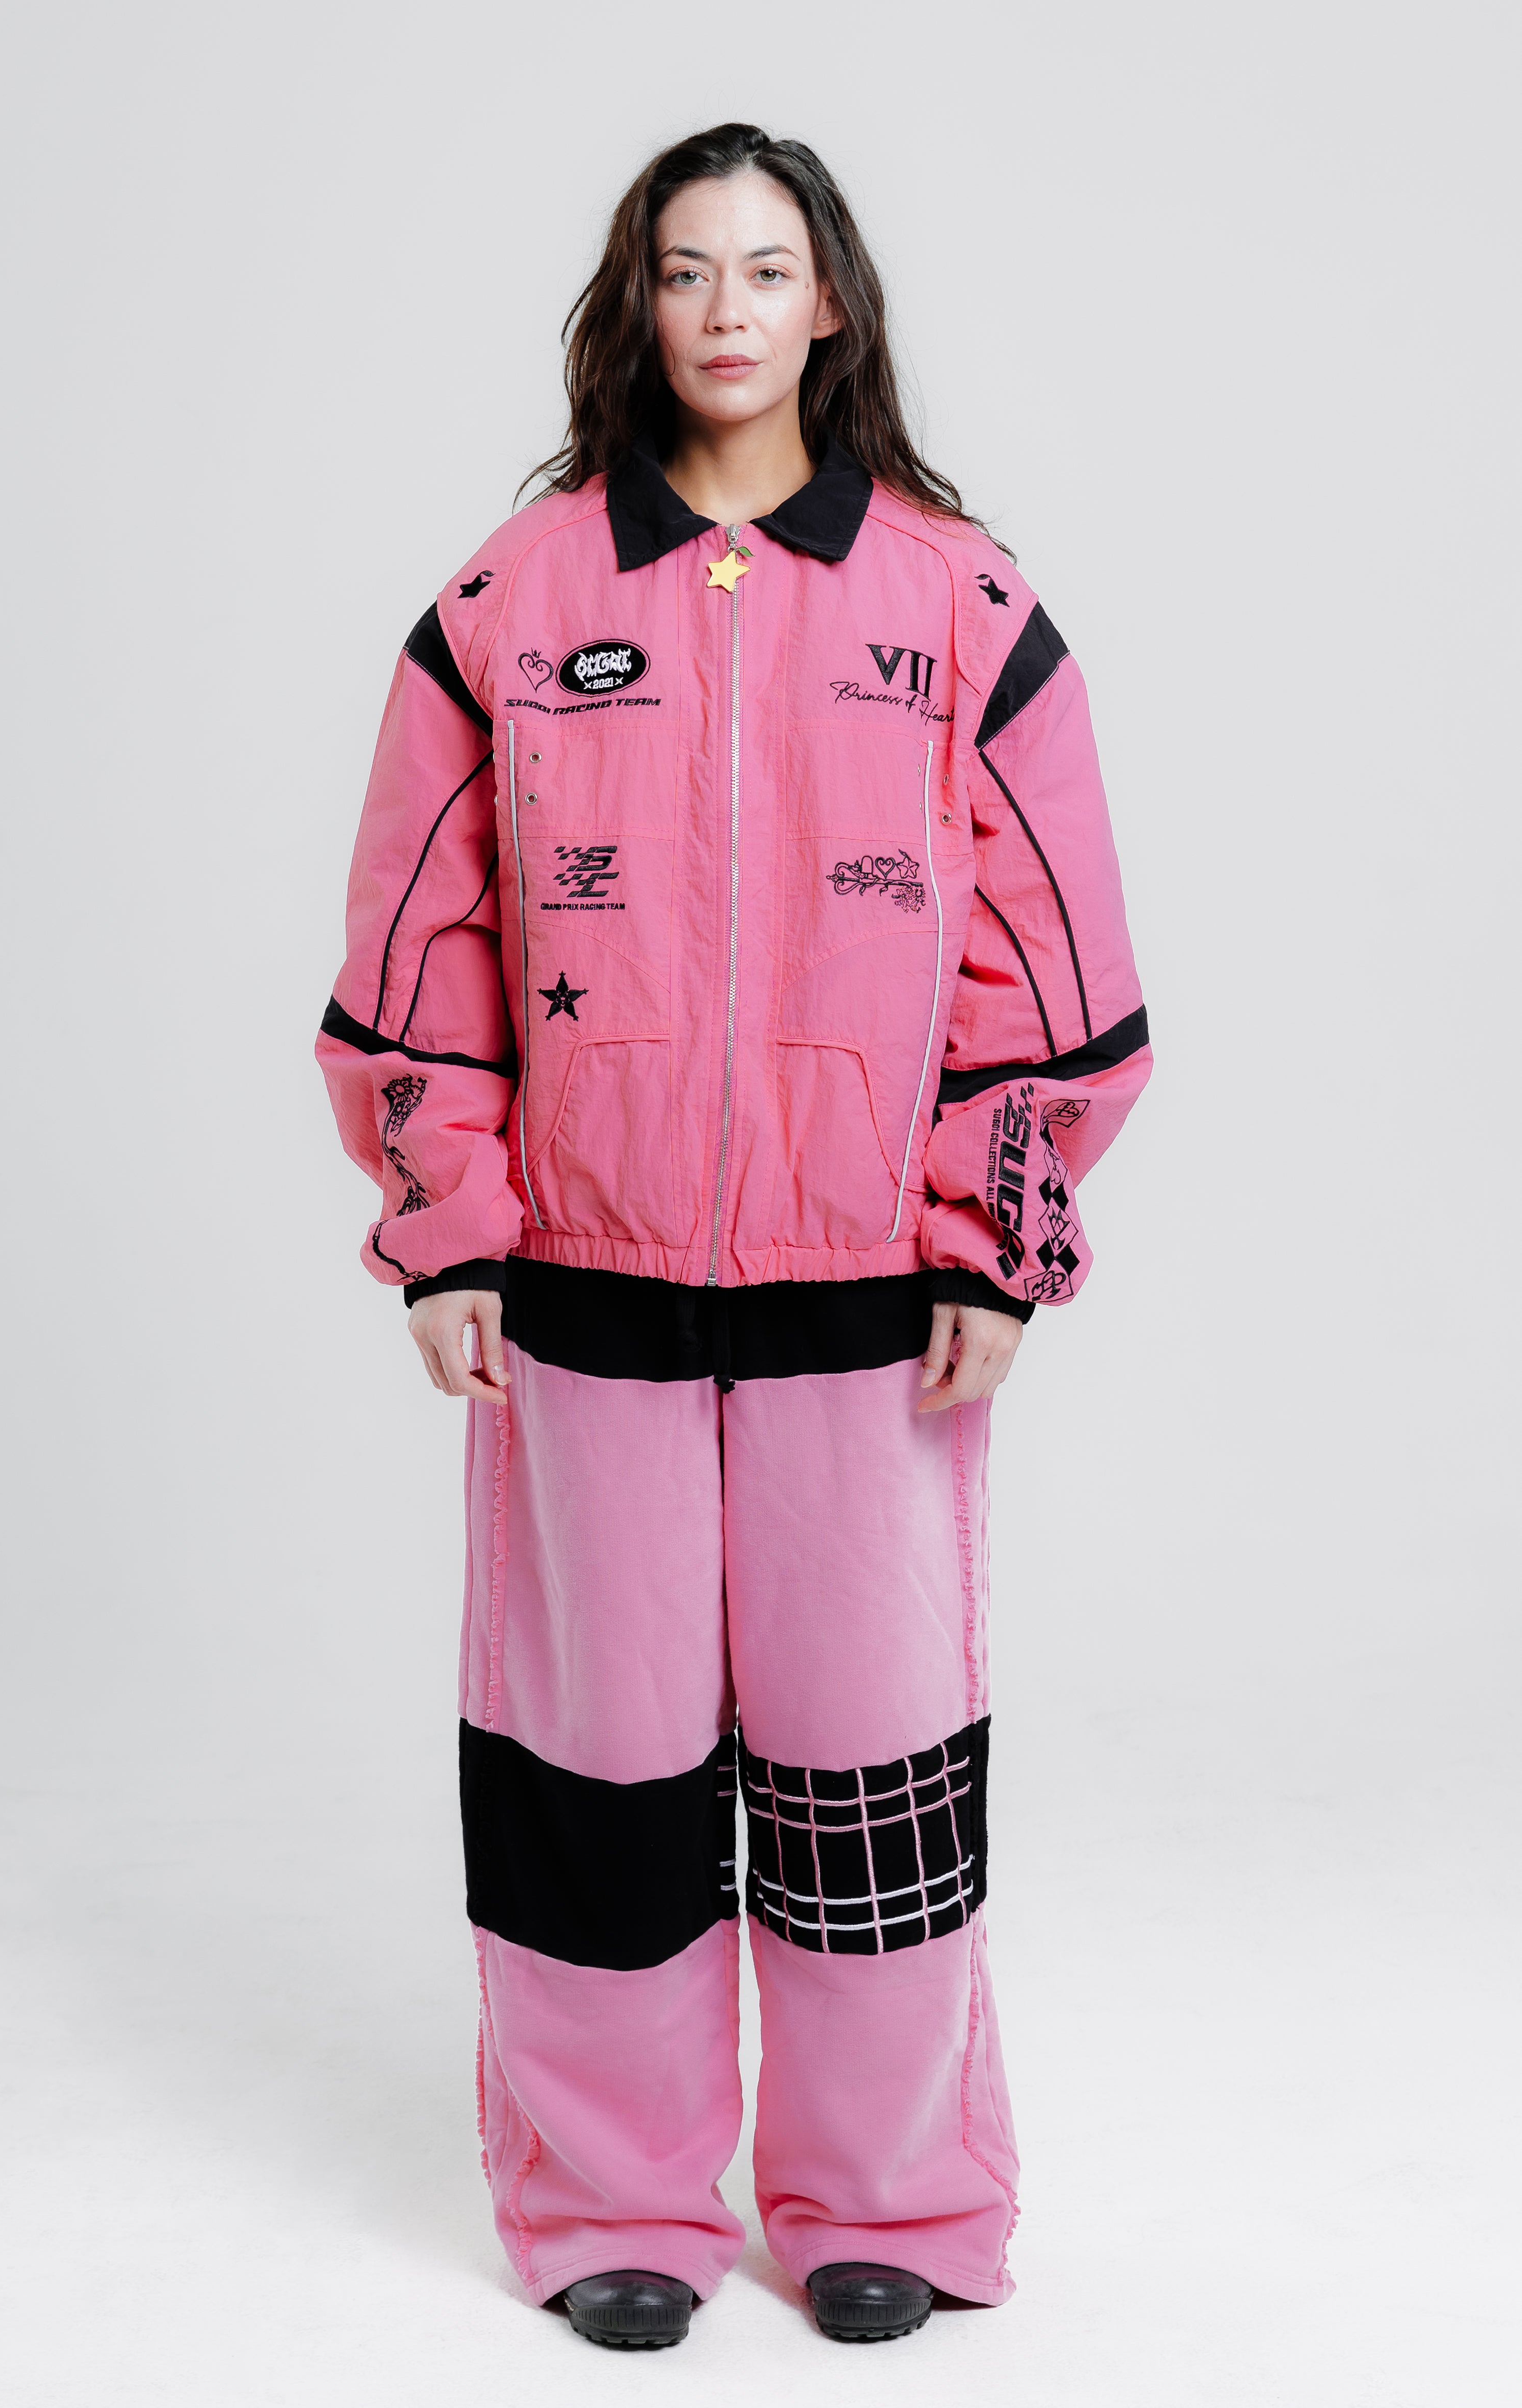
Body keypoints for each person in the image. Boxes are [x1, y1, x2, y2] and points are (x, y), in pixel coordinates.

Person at [316, 121, 1150, 2351]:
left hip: (865, 1300)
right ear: (638, 305)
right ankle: (613, 2199)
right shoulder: (515, 600)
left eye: (765, 269)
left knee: (875, 1769)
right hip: (579, 1294)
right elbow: (422, 935)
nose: (724, 310)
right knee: (595, 1768)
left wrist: (992, 1239)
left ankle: (888, 2195)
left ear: (829, 304)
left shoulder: (956, 605)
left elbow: (1049, 951)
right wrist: (451, 1227)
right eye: (684, 270)